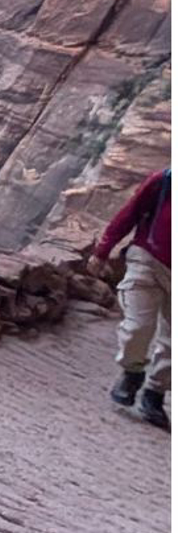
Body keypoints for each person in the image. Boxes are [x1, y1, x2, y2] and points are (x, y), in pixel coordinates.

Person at [90, 166, 171, 429]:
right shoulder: (165, 180)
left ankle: (155, 393)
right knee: (138, 326)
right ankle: (132, 372)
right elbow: (131, 212)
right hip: (147, 259)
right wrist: (102, 250)